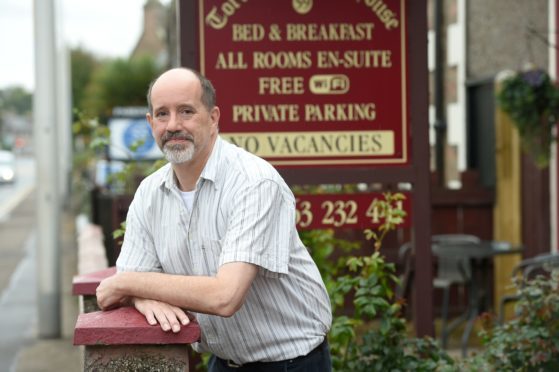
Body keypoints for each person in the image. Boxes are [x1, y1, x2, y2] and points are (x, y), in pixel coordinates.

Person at [96, 67, 333, 371]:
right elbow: (117, 293)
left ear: (213, 117)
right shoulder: (149, 194)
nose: (173, 125)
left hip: (290, 362)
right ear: (150, 122)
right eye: (162, 114)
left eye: (186, 111)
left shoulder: (254, 183)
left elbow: (225, 296)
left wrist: (129, 283)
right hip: (222, 361)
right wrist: (140, 296)